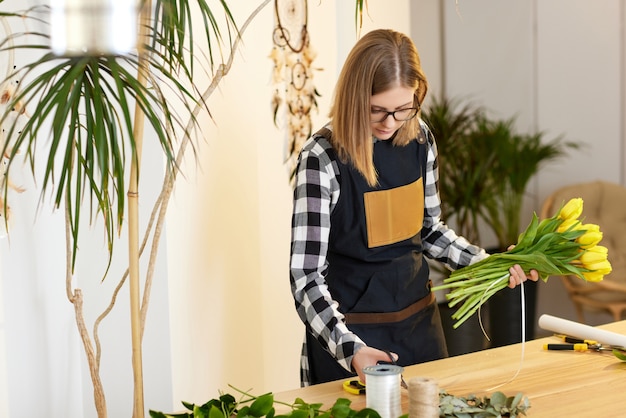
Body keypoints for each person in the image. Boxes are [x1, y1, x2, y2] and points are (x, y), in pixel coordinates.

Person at [289, 28, 538, 387]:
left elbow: (428, 230)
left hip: (419, 330)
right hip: (351, 342)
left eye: (403, 109)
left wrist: (490, 265)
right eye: (377, 110)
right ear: (354, 98)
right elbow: (305, 276)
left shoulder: (420, 138)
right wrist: (350, 349)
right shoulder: (322, 159)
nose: (391, 123)